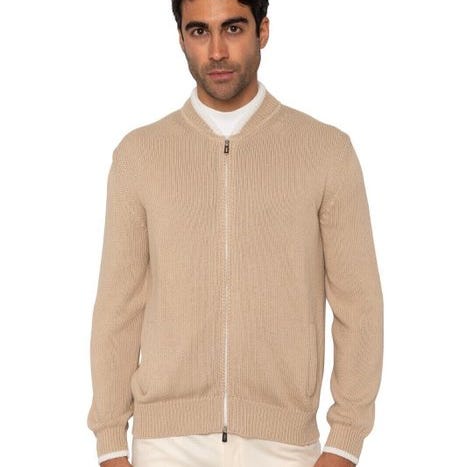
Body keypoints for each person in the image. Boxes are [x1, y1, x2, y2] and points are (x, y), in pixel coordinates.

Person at [86, 0, 384, 466]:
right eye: (199, 31)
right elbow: (118, 307)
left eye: (233, 28)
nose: (217, 51)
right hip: (166, 447)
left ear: (262, 31)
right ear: (181, 38)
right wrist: (110, 444)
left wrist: (344, 442)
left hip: (286, 446)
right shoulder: (140, 156)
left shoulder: (325, 151)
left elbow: (358, 303)